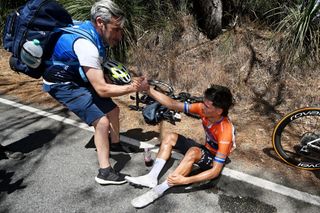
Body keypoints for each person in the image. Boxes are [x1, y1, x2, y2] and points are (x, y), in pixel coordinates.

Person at [42, 0, 148, 185]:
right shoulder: (86, 45)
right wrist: (132, 88)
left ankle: (114, 144)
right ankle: (105, 172)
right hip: (62, 83)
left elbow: (99, 76)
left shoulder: (92, 33)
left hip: (75, 77)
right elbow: (102, 89)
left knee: (113, 111)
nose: (119, 35)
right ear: (100, 22)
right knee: (102, 121)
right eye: (116, 29)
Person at [125, 84, 236, 208]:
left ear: (219, 111)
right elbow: (173, 104)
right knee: (170, 137)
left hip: (214, 157)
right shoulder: (203, 109)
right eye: (203, 103)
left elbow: (215, 171)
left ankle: (159, 190)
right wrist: (148, 90)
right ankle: (151, 177)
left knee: (193, 151)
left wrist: (186, 180)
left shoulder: (225, 131)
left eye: (207, 106)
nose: (202, 107)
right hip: (206, 149)